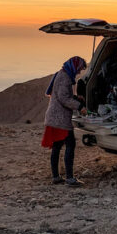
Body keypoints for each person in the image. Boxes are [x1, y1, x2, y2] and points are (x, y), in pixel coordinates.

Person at [41, 56, 87, 186]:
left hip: (54, 117)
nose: (78, 72)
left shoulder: (62, 74)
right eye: (79, 69)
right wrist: (80, 107)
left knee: (57, 147)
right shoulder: (65, 77)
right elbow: (64, 99)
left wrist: (76, 98)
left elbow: (61, 95)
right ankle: (70, 178)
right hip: (60, 118)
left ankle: (56, 176)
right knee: (70, 144)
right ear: (74, 66)